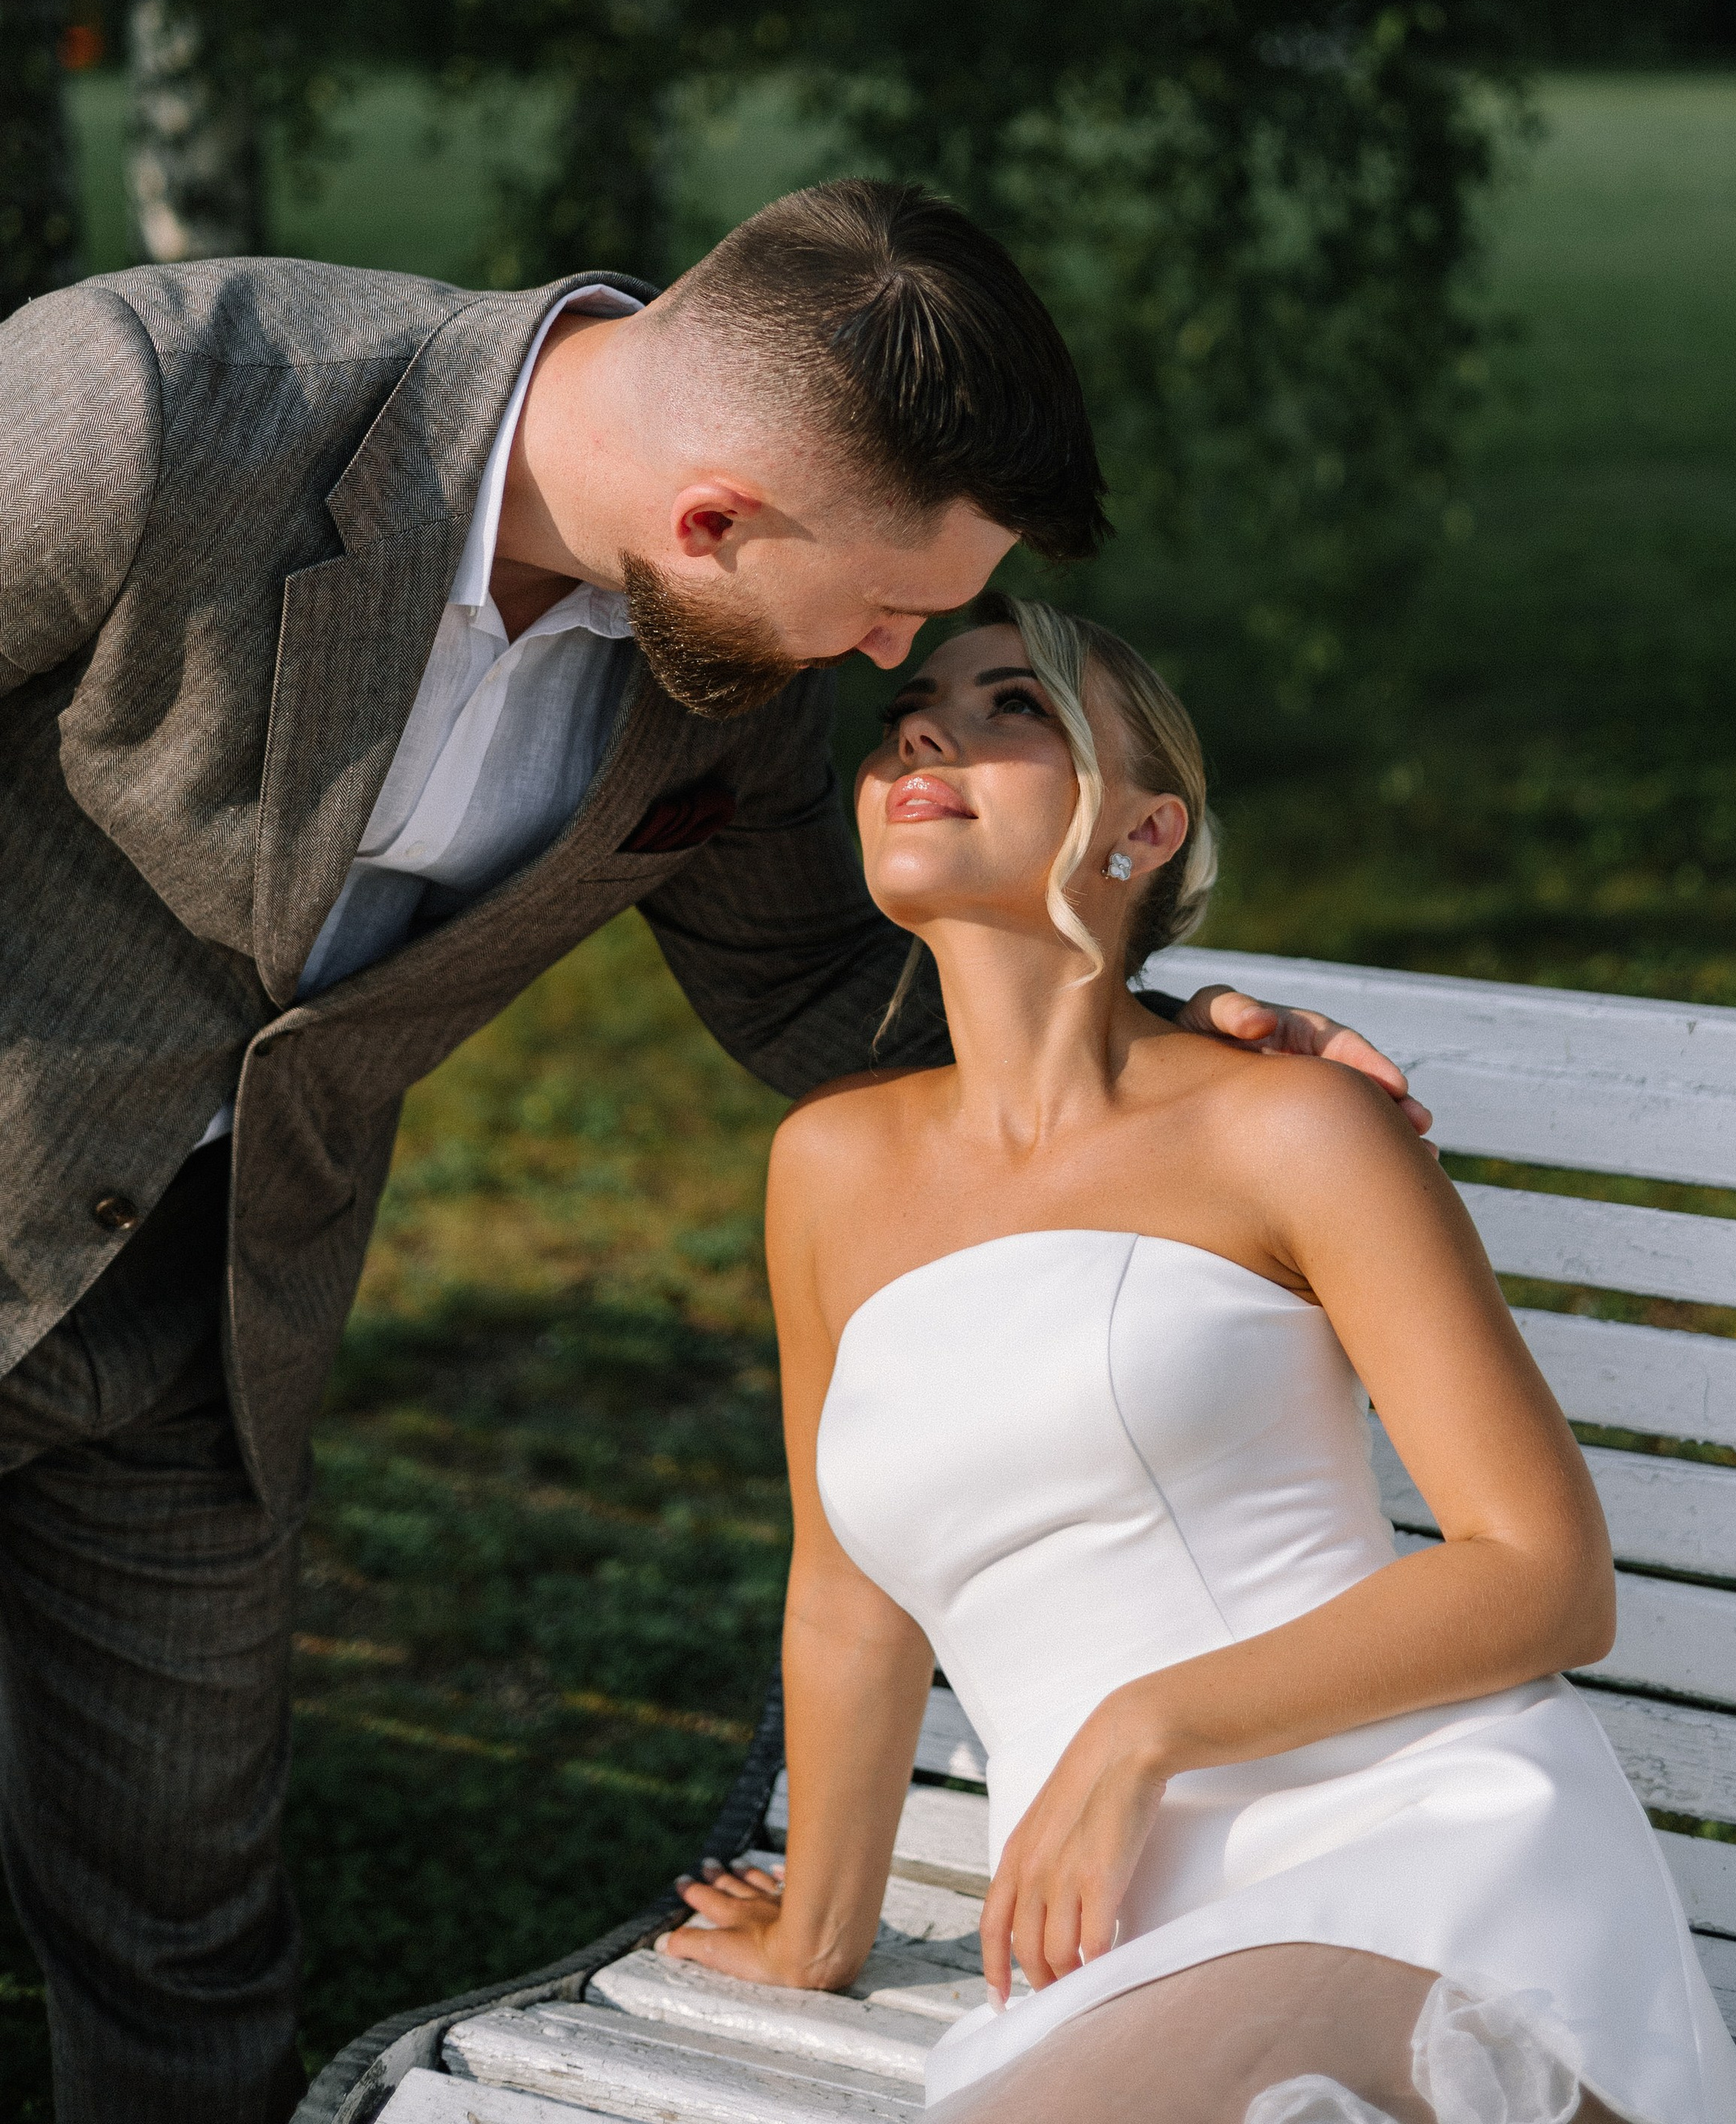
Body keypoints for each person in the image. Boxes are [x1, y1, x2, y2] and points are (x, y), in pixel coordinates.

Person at [0, 180, 1409, 2124]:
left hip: (213, 1332)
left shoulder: (728, 673)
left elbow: (811, 996)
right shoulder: (150, 406)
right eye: (890, 605)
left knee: (181, 1933)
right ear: (712, 516)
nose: (891, 658)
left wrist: (1165, 1049)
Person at [662, 593, 1736, 2124]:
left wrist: (1144, 1730)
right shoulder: (830, 1168)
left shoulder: (1293, 1125)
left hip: (1408, 1837)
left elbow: (1542, 1575)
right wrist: (815, 1933)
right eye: (910, 711)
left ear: (1144, 828)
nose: (923, 731)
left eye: (1017, 709)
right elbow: (850, 1600)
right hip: (1098, 1928)